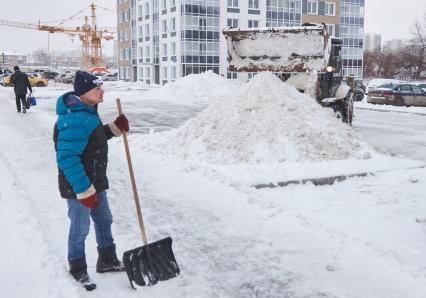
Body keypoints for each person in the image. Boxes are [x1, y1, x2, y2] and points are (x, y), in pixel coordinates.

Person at [53, 70, 129, 291]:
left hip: (95, 180)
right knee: (80, 227)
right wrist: (84, 190)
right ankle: (77, 268)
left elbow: (92, 140)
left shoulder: (87, 112)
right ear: (85, 92)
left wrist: (114, 129)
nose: (102, 91)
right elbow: (67, 157)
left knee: (104, 220)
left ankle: (107, 260)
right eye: (98, 88)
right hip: (80, 186)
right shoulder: (74, 118)